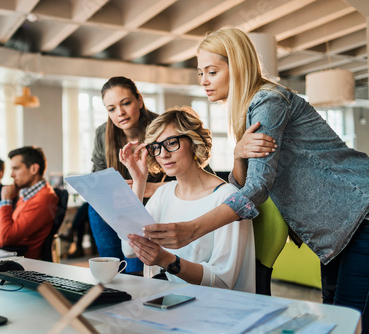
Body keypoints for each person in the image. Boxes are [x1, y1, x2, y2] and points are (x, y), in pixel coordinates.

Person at [142, 27, 369, 331]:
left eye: (212, 71)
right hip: (337, 232)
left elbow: (258, 188)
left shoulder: (268, 102)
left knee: (349, 320)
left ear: (236, 66)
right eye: (200, 73)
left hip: (360, 210)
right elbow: (242, 188)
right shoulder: (248, 111)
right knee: (337, 318)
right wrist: (237, 156)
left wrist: (192, 230)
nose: (204, 81)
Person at [119, 106, 255, 292]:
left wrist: (166, 260)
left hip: (209, 310)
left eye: (172, 143)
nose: (163, 154)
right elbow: (129, 250)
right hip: (162, 303)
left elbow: (223, 282)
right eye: (156, 147)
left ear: (193, 142)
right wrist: (139, 182)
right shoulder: (163, 194)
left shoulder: (228, 200)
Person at [89, 76, 174, 274]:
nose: (120, 113)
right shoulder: (103, 133)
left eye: (126, 103)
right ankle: (111, 276)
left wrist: (150, 188)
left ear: (140, 100)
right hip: (114, 204)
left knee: (135, 270)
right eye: (111, 109)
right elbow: (97, 176)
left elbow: (189, 180)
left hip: (149, 204)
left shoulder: (163, 128)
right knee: (94, 211)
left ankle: (136, 279)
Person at [0, 146, 59, 260]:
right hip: (9, 253)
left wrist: (6, 201)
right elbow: (12, 228)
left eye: (16, 168)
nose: (12, 175)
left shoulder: (43, 198)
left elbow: (7, 237)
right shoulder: (29, 195)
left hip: (22, 261)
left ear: (34, 169)